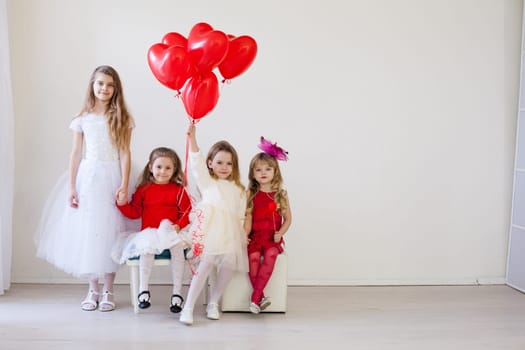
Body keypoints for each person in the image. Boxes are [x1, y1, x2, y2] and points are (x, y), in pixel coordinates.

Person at [35, 65, 134, 312]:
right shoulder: (82, 119)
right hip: (89, 178)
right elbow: (76, 153)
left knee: (112, 230)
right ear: (92, 86)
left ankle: (109, 289)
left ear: (116, 89)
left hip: (112, 175)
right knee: (90, 231)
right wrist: (71, 186)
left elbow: (124, 153)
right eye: (100, 83)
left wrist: (123, 183)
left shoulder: (121, 117)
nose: (104, 88)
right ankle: (93, 288)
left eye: (110, 85)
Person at [179, 124, 248, 325]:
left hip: (231, 234)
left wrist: (244, 232)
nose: (224, 167)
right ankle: (188, 306)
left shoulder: (239, 188)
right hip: (210, 232)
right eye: (219, 162)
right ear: (210, 164)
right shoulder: (207, 182)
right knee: (205, 265)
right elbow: (196, 163)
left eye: (229, 163)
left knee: (228, 265)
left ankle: (214, 302)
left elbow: (241, 214)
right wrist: (192, 138)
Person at [113, 147, 192, 313]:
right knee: (146, 249)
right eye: (159, 167)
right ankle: (143, 290)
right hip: (150, 233)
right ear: (150, 167)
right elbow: (134, 213)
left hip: (171, 232)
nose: (163, 171)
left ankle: (177, 293)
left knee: (177, 248)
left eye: (168, 168)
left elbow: (187, 211)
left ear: (174, 170)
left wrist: (178, 225)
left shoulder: (178, 190)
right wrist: (122, 204)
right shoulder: (144, 190)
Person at [245, 137, 292, 314]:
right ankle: (259, 297)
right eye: (258, 169)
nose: (263, 172)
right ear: (253, 173)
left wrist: (280, 233)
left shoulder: (281, 194)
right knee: (254, 259)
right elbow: (248, 216)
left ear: (275, 171)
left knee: (271, 254)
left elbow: (288, 219)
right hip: (256, 237)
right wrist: (245, 235)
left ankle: (255, 297)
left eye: (268, 169)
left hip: (272, 237)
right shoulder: (251, 193)